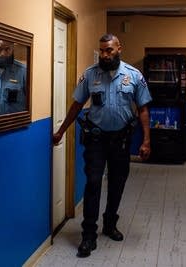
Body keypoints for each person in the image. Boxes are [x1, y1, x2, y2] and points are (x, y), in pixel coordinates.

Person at [53, 33, 152, 258]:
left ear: (119, 49)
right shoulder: (90, 75)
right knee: (93, 183)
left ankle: (109, 223)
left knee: (117, 183)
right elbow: (77, 105)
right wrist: (61, 131)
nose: (105, 55)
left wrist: (146, 141)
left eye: (109, 50)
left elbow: (144, 109)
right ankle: (89, 235)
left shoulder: (134, 76)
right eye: (102, 51)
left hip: (122, 141)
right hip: (96, 140)